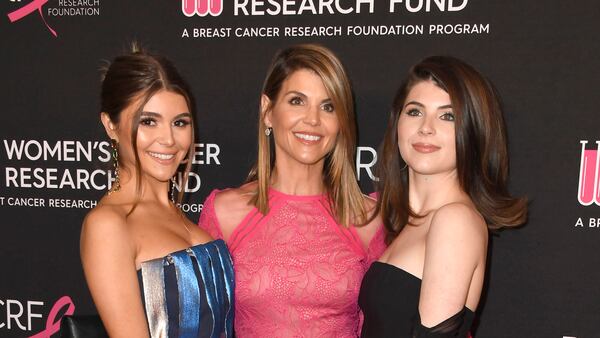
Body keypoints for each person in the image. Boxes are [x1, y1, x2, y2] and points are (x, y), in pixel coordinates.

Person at [198, 44, 386, 337]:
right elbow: (205, 324)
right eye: (297, 101)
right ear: (268, 111)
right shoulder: (224, 213)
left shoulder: (368, 218)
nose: (313, 119)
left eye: (328, 106)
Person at [358, 56, 527, 337]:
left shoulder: (454, 220)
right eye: (414, 111)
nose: (426, 127)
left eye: (448, 116)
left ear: (473, 132)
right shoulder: (408, 223)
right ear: (397, 122)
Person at [80, 46, 234, 338]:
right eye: (149, 121)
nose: (168, 139)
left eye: (180, 123)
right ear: (111, 125)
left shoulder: (177, 213)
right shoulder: (109, 225)